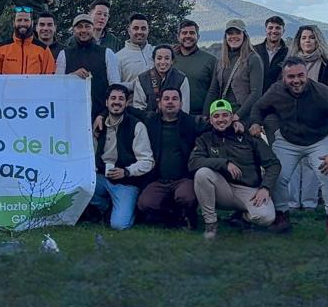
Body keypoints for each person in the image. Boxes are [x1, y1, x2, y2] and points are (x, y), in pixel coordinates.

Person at [254, 56, 328, 234]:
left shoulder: (323, 93)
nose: (296, 80)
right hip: (287, 139)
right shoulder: (276, 91)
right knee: (276, 174)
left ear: (307, 75)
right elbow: (259, 107)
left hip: (320, 138)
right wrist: (255, 122)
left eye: (300, 75)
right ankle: (281, 215)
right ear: (283, 78)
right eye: (291, 77)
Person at [189, 99, 279, 239]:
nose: (221, 120)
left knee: (266, 217)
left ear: (232, 117)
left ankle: (244, 219)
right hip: (222, 189)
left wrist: (265, 188)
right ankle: (211, 224)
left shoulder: (247, 135)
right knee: (202, 174)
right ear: (211, 120)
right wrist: (224, 163)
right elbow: (194, 162)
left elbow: (273, 164)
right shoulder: (205, 139)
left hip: (249, 189)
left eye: (225, 115)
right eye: (216, 116)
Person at [88, 84, 154, 231]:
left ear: (126, 103)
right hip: (101, 177)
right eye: (113, 98)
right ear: (106, 102)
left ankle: (127, 207)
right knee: (77, 184)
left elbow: (148, 161)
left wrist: (127, 171)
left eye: (121, 99)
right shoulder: (97, 125)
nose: (116, 102)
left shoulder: (137, 126)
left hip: (126, 181)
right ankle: (106, 206)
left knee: (119, 225)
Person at [287, 25, 328, 210]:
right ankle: (292, 203)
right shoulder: (288, 65)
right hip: (292, 118)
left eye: (311, 37)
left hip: (318, 121)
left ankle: (309, 203)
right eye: (303, 38)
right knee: (293, 162)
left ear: (318, 40)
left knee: (311, 163)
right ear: (298, 42)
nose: (307, 41)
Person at [136, 88, 201, 227]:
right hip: (159, 180)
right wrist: (102, 115)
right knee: (144, 203)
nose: (170, 102)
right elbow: (126, 112)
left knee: (186, 197)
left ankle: (189, 214)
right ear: (159, 104)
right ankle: (173, 216)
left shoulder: (191, 122)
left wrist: (237, 123)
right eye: (166, 99)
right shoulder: (151, 121)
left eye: (174, 99)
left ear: (181, 103)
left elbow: (215, 123)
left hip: (184, 178)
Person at [55, 13, 122, 118]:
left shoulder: (107, 53)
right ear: (73, 30)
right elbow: (57, 87)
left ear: (93, 29)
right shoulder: (64, 55)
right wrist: (72, 76)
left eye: (87, 26)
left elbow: (115, 88)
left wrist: (103, 115)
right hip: (72, 115)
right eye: (79, 27)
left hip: (101, 117)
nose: (83, 30)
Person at [204, 18, 263, 122]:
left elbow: (256, 93)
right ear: (225, 37)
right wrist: (206, 115)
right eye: (230, 33)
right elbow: (213, 90)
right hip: (222, 115)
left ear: (244, 35)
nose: (233, 36)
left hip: (243, 116)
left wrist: (237, 116)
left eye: (237, 33)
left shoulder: (253, 59)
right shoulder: (221, 60)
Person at [0, 9, 56, 75]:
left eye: (26, 20)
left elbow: (49, 81)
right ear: (14, 23)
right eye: (19, 20)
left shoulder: (43, 50)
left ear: (32, 23)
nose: (22, 23)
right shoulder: (0, 49)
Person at [173, 19, 216, 115]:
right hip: (173, 117)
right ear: (178, 36)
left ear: (198, 36)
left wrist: (207, 114)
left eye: (192, 33)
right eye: (184, 33)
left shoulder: (210, 60)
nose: (188, 36)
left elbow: (215, 91)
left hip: (200, 117)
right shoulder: (169, 59)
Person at [132, 44, 190, 114]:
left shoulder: (181, 79)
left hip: (174, 122)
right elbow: (138, 108)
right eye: (159, 58)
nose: (163, 62)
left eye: (167, 58)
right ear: (154, 60)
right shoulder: (142, 79)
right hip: (148, 122)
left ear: (172, 61)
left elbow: (184, 109)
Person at [116, 13, 154, 86]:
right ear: (129, 30)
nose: (139, 32)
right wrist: (138, 86)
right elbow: (116, 86)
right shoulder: (118, 57)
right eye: (136, 28)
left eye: (143, 28)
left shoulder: (156, 52)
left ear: (148, 30)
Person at [257, 15, 288, 92]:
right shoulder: (254, 51)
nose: (274, 31)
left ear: (283, 31)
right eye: (270, 28)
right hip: (256, 99)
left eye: (278, 28)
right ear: (266, 30)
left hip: (279, 98)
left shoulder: (289, 54)